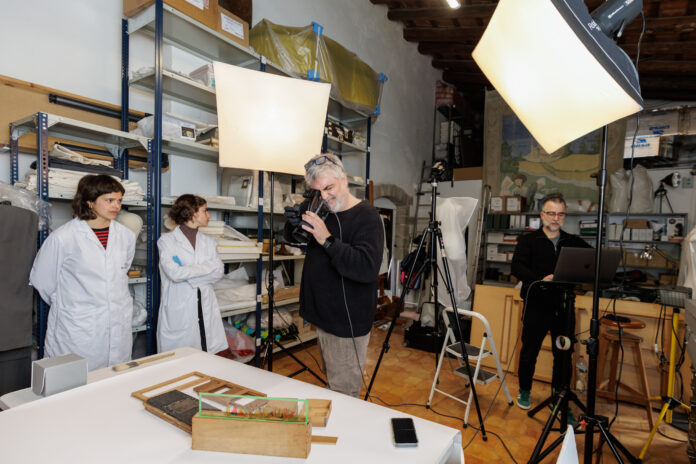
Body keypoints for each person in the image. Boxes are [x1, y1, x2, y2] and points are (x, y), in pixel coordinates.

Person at [284, 153, 383, 397]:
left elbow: (366, 267)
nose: (324, 197)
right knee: (333, 383)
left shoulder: (367, 216)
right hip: (324, 316)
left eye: (329, 188)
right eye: (317, 191)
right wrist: (292, 224)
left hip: (345, 322)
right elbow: (293, 238)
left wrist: (327, 240)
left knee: (343, 394)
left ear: (344, 179)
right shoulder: (320, 205)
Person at [30, 174, 136, 371]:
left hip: (117, 324)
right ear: (90, 201)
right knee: (75, 380)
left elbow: (120, 271)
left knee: (115, 380)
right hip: (78, 328)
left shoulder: (126, 236)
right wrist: (72, 306)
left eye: (119, 200)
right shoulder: (63, 237)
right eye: (109, 200)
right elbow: (43, 282)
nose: (116, 206)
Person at [511, 193, 589, 410]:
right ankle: (524, 390)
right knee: (530, 351)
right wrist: (539, 279)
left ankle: (558, 396)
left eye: (560, 214)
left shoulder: (572, 242)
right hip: (536, 305)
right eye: (551, 213)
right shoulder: (528, 241)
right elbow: (516, 267)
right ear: (542, 214)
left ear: (564, 216)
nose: (556, 218)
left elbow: (592, 261)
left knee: (563, 354)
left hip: (563, 307)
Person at [157, 194, 227, 354]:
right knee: (180, 358)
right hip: (180, 307)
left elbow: (218, 271)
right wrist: (207, 268)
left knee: (206, 354)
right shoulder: (166, 241)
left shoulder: (209, 242)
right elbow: (175, 274)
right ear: (192, 213)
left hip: (205, 304)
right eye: (205, 211)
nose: (209, 215)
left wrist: (187, 273)